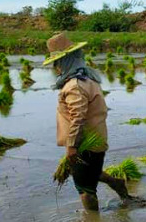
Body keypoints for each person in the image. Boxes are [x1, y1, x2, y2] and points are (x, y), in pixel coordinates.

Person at [43, 33, 129, 212]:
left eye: (57, 63)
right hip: (96, 138)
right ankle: (116, 183)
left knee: (85, 188)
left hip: (84, 143)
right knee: (93, 173)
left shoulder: (74, 85)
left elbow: (78, 117)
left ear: (65, 62)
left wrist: (72, 146)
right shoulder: (88, 78)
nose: (55, 68)